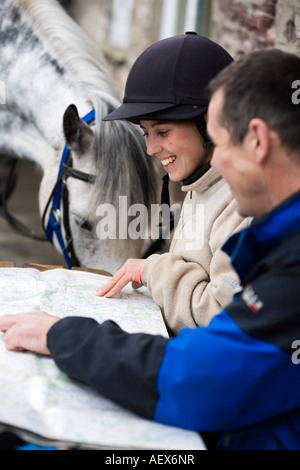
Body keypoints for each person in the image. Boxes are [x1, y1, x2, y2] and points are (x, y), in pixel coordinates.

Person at [1, 48, 300, 450]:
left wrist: (64, 336)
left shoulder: (280, 252)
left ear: (259, 141)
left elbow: (202, 374)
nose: (219, 164)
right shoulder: (256, 224)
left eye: (222, 142)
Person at [96, 32, 248, 335]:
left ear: (210, 122)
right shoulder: (200, 179)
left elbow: (223, 316)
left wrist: (152, 269)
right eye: (146, 133)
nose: (151, 149)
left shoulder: (243, 203)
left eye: (162, 132)